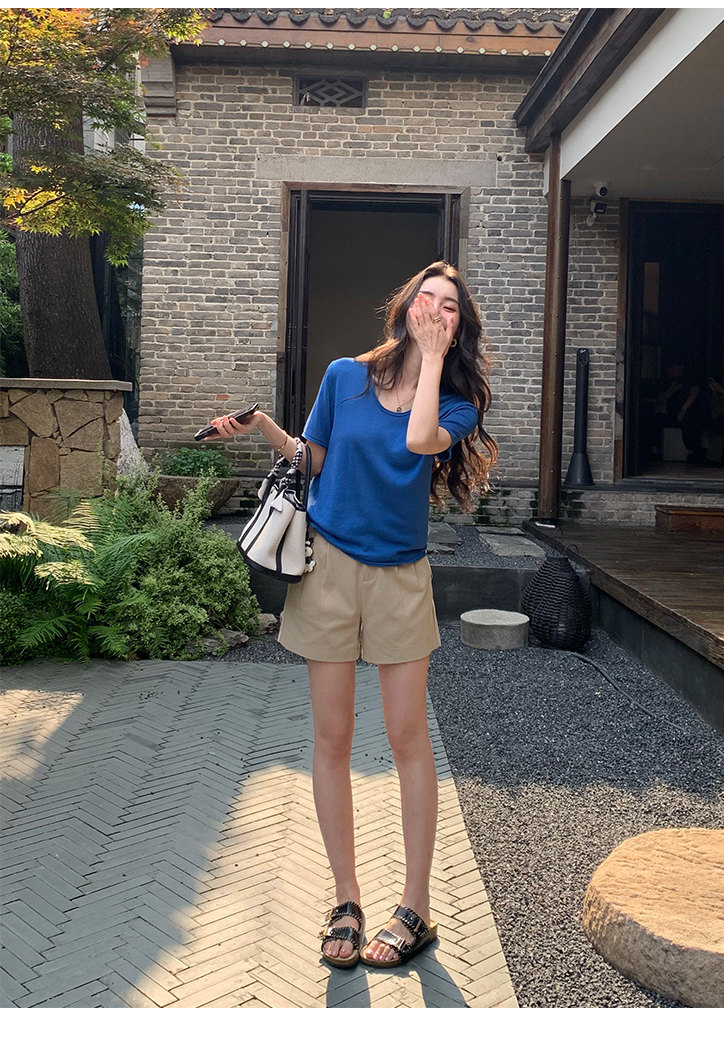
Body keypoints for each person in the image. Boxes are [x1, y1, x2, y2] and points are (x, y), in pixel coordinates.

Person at [208, 260, 498, 970]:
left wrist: (432, 361)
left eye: (450, 308)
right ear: (404, 307)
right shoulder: (344, 376)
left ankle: (416, 907)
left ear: (459, 328)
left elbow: (419, 441)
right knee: (331, 738)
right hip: (329, 570)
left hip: (401, 577)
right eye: (427, 299)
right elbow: (312, 460)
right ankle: (345, 900)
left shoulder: (456, 402)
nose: (436, 311)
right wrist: (263, 427)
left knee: (408, 739)